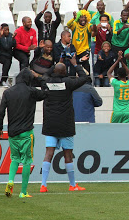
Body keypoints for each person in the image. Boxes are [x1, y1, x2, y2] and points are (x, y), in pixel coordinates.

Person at [40, 56, 90, 193]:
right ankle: (72, 185)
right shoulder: (68, 82)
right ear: (64, 72)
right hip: (66, 124)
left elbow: (44, 75)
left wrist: (55, 65)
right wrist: (75, 64)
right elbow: (85, 78)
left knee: (48, 153)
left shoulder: (47, 82)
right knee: (68, 155)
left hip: (50, 124)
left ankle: (43, 185)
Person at [0, 68, 47, 198]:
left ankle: (10, 181)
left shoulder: (8, 92)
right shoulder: (31, 92)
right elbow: (46, 92)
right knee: (27, 161)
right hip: (26, 133)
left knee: (14, 159)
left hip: (12, 133)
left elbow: (1, 111)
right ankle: (23, 192)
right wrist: (39, 78)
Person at [108, 52, 129, 123]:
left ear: (118, 75)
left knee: (113, 130)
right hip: (127, 113)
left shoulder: (116, 83)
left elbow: (109, 73)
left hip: (117, 112)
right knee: (127, 131)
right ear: (125, 75)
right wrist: (122, 62)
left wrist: (117, 61)